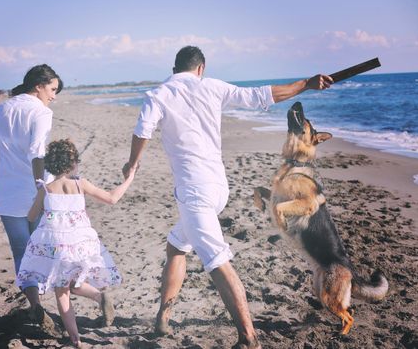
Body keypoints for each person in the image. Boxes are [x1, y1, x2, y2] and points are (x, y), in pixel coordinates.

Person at [122, 46, 333, 349]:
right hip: (218, 187)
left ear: (174, 68)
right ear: (201, 68)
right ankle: (162, 320)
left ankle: (248, 337)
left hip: (194, 193)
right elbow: (264, 95)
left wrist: (132, 163)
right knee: (176, 246)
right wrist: (307, 84)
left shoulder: (159, 94)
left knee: (217, 260)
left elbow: (143, 131)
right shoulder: (212, 86)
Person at [17, 138, 136, 347]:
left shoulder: (46, 189)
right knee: (73, 282)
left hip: (57, 244)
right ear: (73, 163)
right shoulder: (81, 184)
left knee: (62, 291)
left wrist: (44, 205)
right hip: (82, 243)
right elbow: (111, 198)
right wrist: (129, 178)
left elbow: (30, 216)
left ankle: (75, 338)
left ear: (51, 164)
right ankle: (100, 297)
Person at [0, 64, 63, 329]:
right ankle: (63, 301)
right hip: (32, 191)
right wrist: (40, 189)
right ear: (38, 85)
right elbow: (37, 153)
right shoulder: (41, 112)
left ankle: (35, 305)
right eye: (52, 89)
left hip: (7, 193)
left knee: (21, 252)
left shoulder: (3, 108)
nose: (54, 95)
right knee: (46, 247)